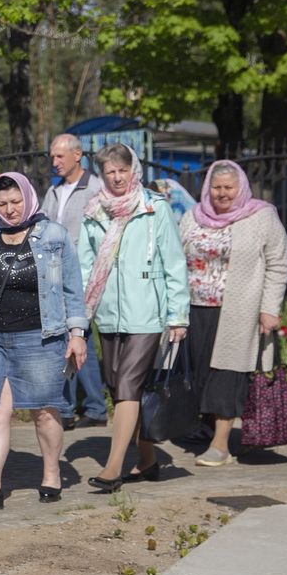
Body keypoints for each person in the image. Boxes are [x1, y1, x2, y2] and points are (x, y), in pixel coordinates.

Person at [0, 173, 87, 508]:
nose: (9, 209)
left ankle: (51, 473)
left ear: (28, 197)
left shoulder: (53, 235)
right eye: (2, 203)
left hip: (40, 336)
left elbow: (72, 288)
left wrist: (77, 334)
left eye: (15, 201)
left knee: (44, 411)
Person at [79, 143, 189, 490]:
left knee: (127, 385)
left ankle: (113, 469)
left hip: (147, 313)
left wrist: (178, 316)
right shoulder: (94, 212)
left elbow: (173, 263)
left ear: (134, 170)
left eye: (122, 170)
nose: (116, 178)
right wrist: (80, 315)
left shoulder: (154, 208)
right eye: (110, 172)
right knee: (118, 387)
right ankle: (148, 459)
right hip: (108, 313)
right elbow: (85, 265)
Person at [178, 162, 287, 467]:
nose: (222, 194)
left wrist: (270, 308)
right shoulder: (192, 216)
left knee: (225, 375)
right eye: (217, 187)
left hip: (239, 310)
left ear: (240, 188)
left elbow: (278, 263)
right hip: (195, 308)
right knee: (200, 374)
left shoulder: (261, 216)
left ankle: (221, 444)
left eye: (229, 187)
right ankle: (208, 426)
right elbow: (176, 258)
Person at [41, 134, 105, 427]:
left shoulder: (95, 188)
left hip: (83, 276)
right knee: (62, 339)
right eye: (52, 157)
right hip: (54, 276)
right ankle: (68, 408)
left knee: (81, 338)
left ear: (77, 155)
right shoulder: (55, 190)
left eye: (60, 157)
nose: (54, 162)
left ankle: (93, 407)